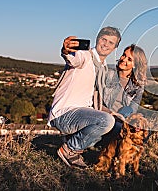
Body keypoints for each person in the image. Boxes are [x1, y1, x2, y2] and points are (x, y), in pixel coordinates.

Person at [48, 26, 121, 168]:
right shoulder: (85, 56)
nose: (106, 44)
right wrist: (66, 50)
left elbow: (94, 103)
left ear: (114, 48)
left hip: (81, 114)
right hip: (65, 114)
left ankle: (78, 144)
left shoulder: (103, 68)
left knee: (116, 126)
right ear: (97, 39)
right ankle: (69, 150)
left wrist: (116, 114)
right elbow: (73, 58)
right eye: (103, 39)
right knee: (105, 121)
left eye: (111, 43)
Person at [100, 44, 147, 144]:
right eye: (123, 55)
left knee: (143, 127)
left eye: (129, 59)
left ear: (135, 65)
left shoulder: (137, 85)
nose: (124, 59)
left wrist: (124, 118)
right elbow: (97, 100)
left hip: (123, 117)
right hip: (105, 114)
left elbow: (133, 108)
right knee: (117, 128)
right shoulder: (108, 74)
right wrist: (111, 113)